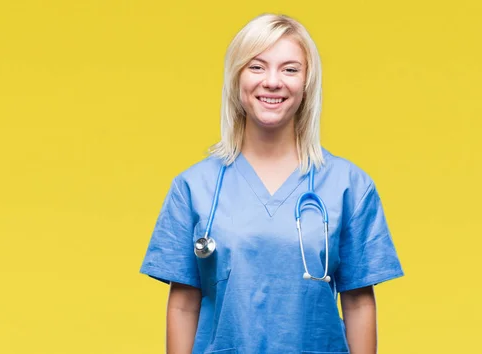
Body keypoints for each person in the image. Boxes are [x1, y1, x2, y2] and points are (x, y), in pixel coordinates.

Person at [140, 13, 404, 354]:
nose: (273, 82)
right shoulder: (193, 188)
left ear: (308, 82)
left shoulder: (349, 186)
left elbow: (358, 302)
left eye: (290, 69)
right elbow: (183, 303)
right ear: (236, 78)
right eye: (257, 67)